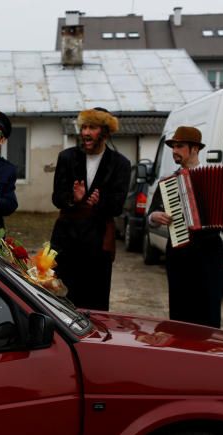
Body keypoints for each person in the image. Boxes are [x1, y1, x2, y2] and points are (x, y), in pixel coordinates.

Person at [146, 125, 223, 328]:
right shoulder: (168, 182)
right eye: (173, 146)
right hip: (179, 252)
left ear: (195, 149)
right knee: (181, 312)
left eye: (179, 146)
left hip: (209, 252)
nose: (174, 151)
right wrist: (155, 216)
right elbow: (150, 216)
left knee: (208, 311)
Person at [49, 107, 131, 311]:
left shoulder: (120, 163)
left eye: (92, 127)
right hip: (66, 241)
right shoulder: (67, 157)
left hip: (98, 244)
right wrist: (73, 199)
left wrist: (99, 203)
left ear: (105, 131)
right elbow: (57, 198)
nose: (85, 132)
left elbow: (118, 206)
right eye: (83, 127)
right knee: (61, 301)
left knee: (95, 303)